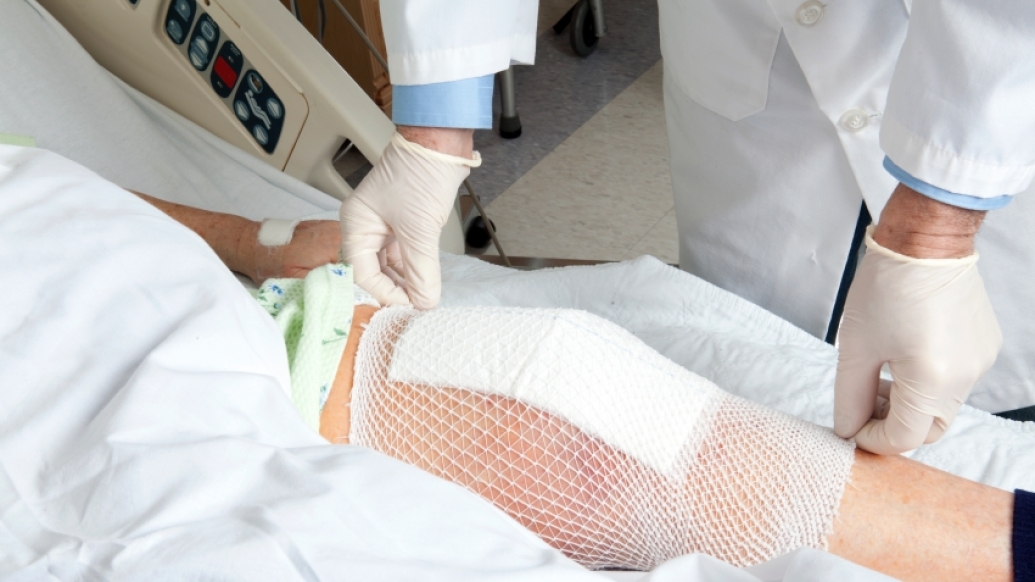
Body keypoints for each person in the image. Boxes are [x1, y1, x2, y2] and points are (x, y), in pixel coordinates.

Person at [140, 194, 1030, 581]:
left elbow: (86, 206)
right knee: (592, 449)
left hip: (285, 327)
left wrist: (265, 237)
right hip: (197, 391)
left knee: (586, 401)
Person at [346, 1, 1035, 456]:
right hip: (749, 71)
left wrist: (938, 229)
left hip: (996, 94)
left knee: (986, 447)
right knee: (753, 406)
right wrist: (431, 133)